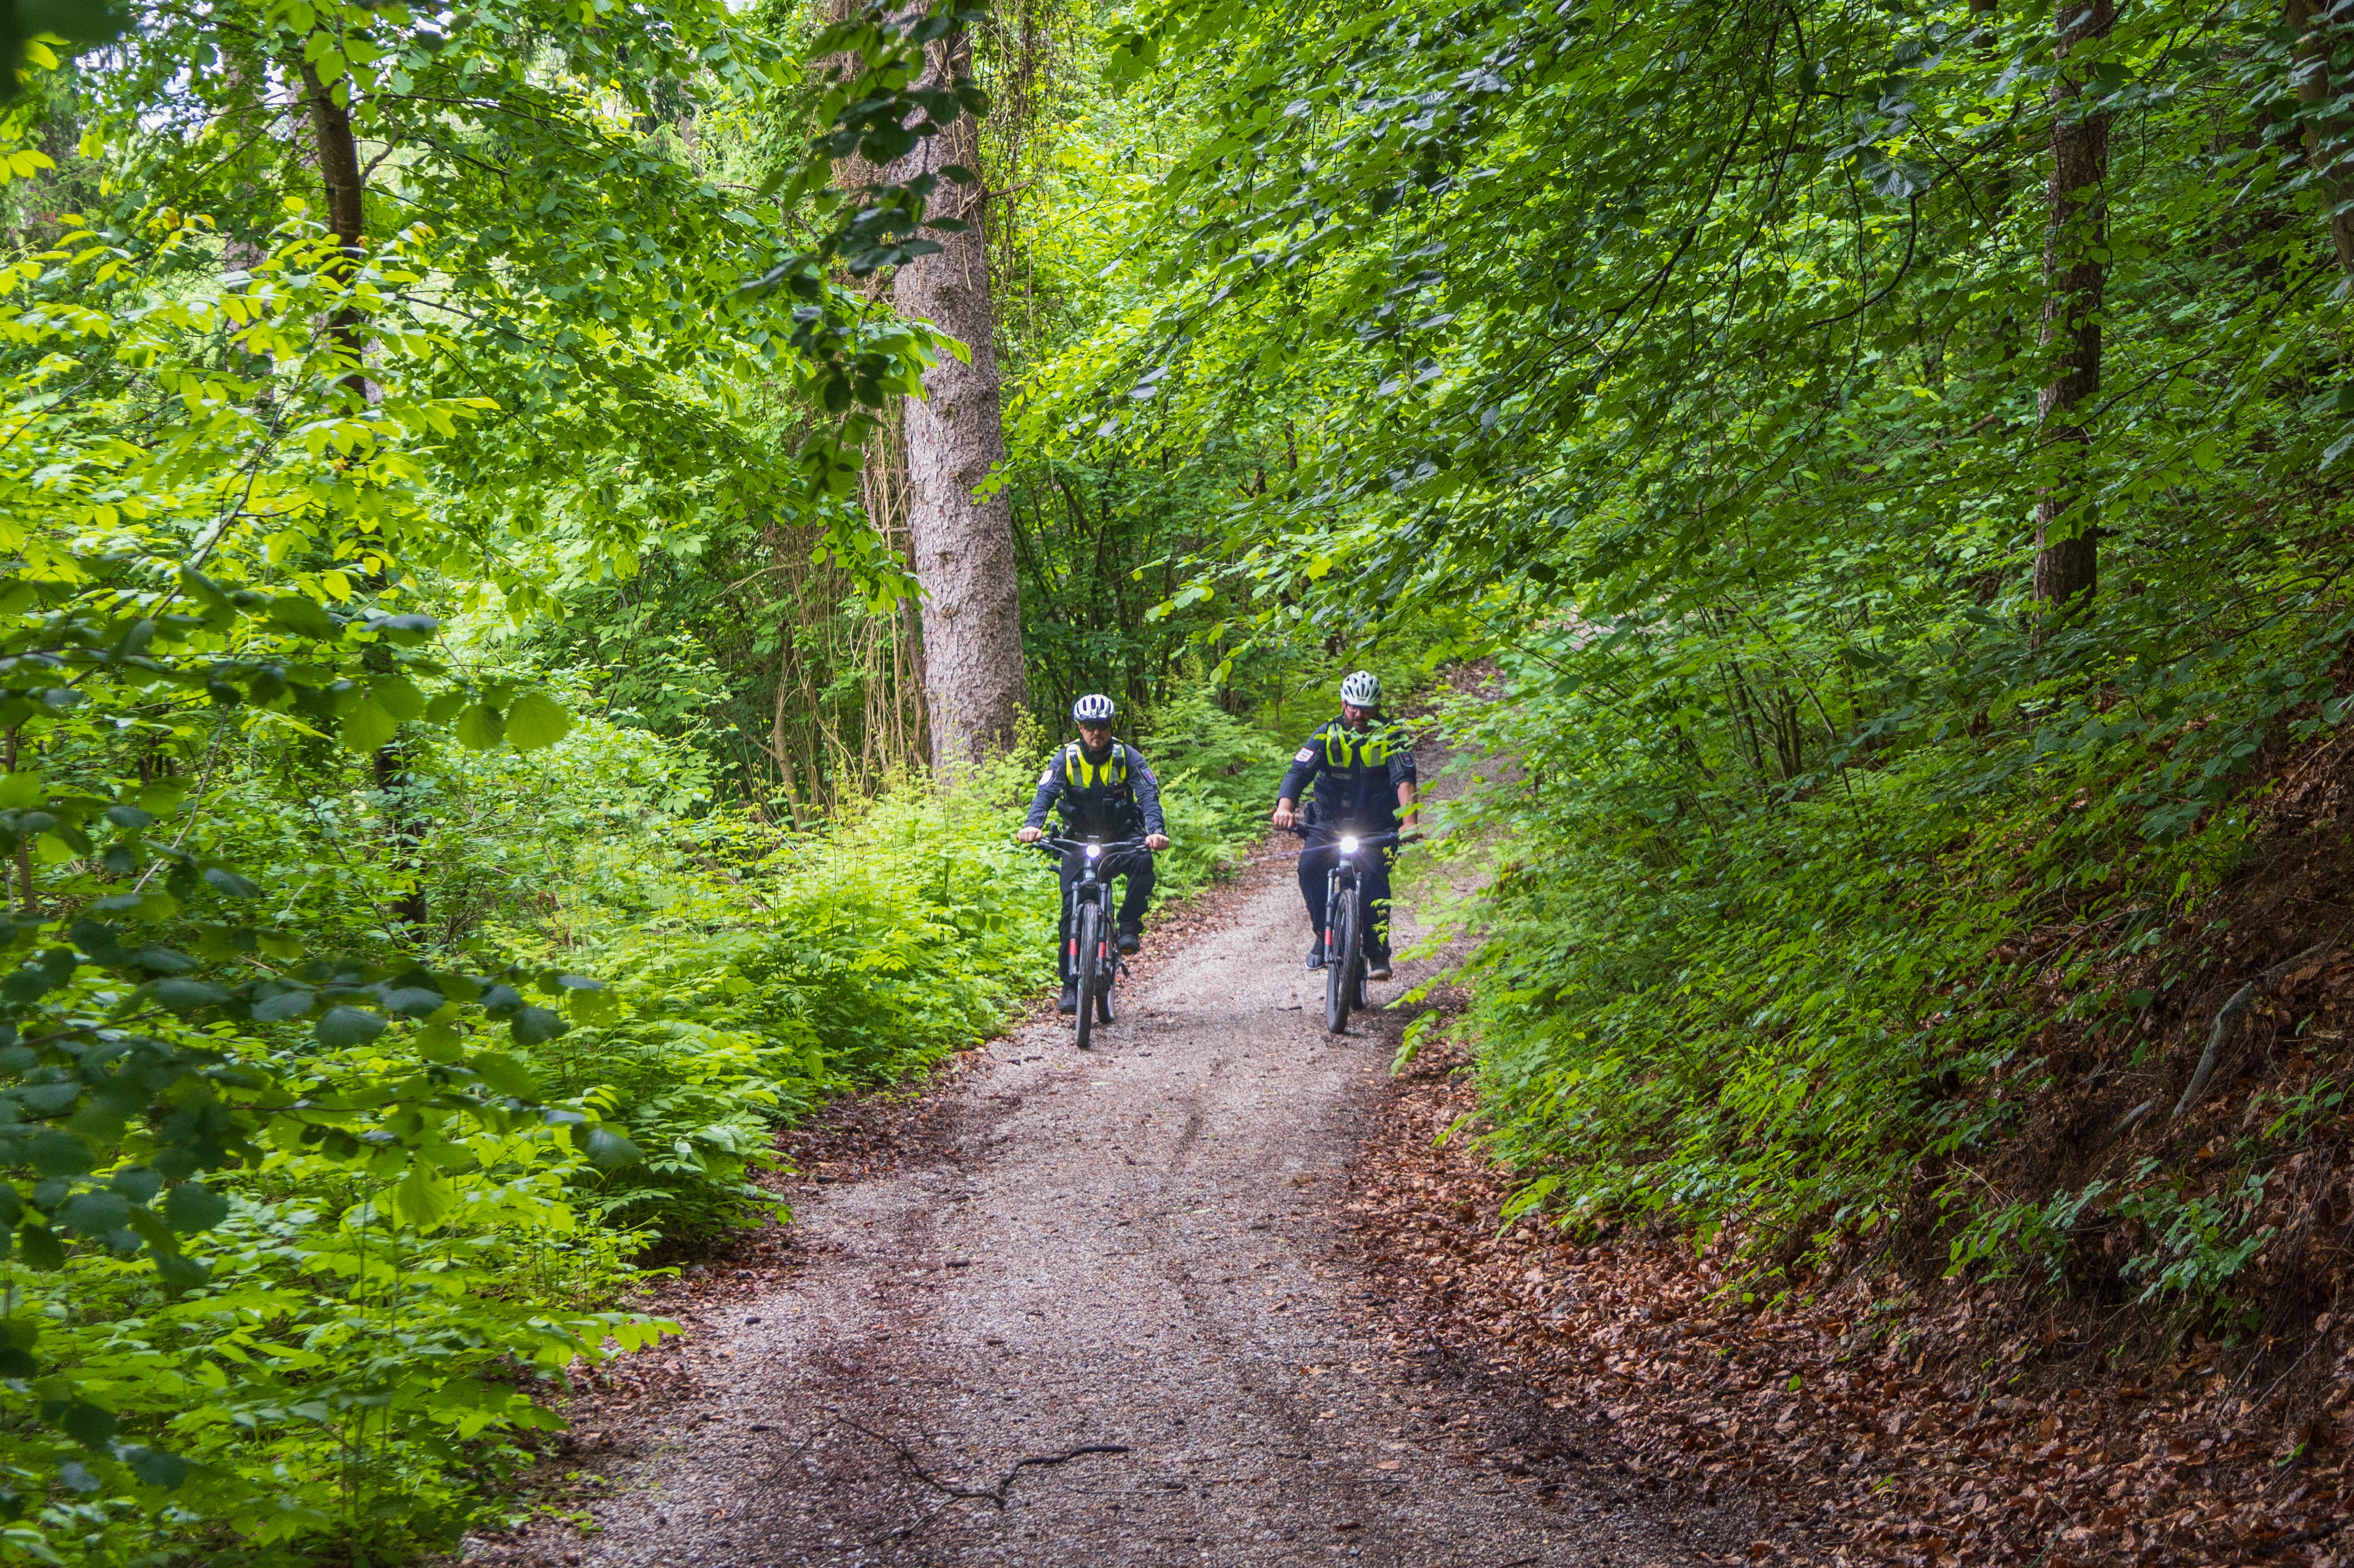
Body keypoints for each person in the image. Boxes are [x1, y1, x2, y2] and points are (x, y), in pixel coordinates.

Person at [1018, 694, 1172, 1015]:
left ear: (1110, 726)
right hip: (1077, 841)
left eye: (1101, 726)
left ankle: (1128, 926)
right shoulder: (1066, 759)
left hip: (1120, 839)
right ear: (1079, 727)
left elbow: (1148, 795)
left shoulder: (1127, 757)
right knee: (1068, 911)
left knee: (1144, 861)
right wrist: (1033, 826)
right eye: (1089, 726)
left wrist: (1156, 830)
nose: (1096, 733)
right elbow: (1044, 794)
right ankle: (1071, 987)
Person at [1270, 670, 1419, 980]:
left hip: (1376, 826)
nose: (1359, 714)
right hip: (1328, 823)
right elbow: (1298, 772)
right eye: (1353, 707)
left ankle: (1378, 950)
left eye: (1367, 708)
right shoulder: (1327, 734)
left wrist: (1409, 823)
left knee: (1376, 877)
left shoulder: (1391, 736)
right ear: (1343, 703)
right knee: (1309, 867)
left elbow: (1404, 780)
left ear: (1378, 707)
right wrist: (1285, 807)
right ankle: (1319, 933)